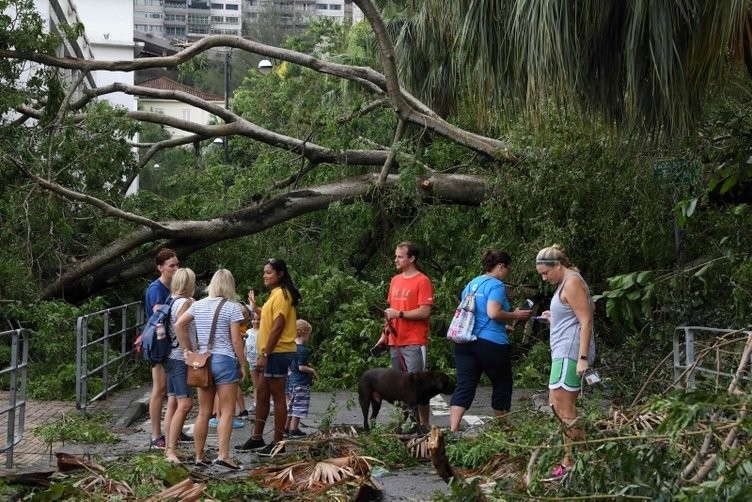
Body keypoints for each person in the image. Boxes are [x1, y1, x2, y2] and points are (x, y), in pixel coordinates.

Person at [449, 250, 531, 434]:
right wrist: (515, 315)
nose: (506, 274)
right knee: (502, 382)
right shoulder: (496, 285)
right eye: (507, 269)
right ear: (501, 266)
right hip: (490, 343)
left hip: (464, 341)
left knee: (465, 383)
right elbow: (493, 313)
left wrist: (504, 326)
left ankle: (453, 429)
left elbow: (475, 314)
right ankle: (502, 426)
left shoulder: (471, 284)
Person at [175, 269, 247, 470]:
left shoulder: (198, 305)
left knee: (204, 412)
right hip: (224, 361)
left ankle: (199, 455)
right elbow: (235, 339)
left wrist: (187, 351)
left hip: (203, 362)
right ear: (230, 285)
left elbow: (179, 325)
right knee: (226, 411)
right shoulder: (232, 308)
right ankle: (223, 455)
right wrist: (242, 364)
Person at [535, 244, 595, 480]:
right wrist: (555, 317)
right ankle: (584, 458)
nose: (544, 277)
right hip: (562, 351)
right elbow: (576, 313)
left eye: (545, 273)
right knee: (557, 405)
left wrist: (581, 358)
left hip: (570, 354)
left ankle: (570, 462)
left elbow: (587, 320)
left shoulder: (571, 281)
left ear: (557, 265)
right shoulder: (567, 281)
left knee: (565, 410)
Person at [236, 258, 301, 456]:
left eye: (269, 272)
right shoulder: (275, 294)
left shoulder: (282, 294)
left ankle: (278, 442)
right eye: (264, 272)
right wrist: (256, 308)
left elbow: (278, 326)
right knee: (262, 394)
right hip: (272, 352)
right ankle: (257, 438)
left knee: (278, 397)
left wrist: (265, 353)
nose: (265, 275)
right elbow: (269, 316)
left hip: (277, 352)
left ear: (280, 274)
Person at [375, 241, 433, 433]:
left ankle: (423, 426)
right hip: (395, 341)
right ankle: (405, 425)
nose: (396, 260)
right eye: (396, 256)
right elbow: (389, 313)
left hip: (414, 341)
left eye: (400, 256)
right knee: (400, 387)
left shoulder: (422, 281)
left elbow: (424, 311)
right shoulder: (395, 280)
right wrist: (384, 335)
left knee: (417, 386)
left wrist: (400, 314)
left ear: (411, 258)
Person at [144, 247, 180, 449]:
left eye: (177, 265)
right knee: (160, 388)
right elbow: (160, 315)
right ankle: (156, 434)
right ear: (160, 268)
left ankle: (174, 429)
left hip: (169, 343)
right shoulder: (156, 289)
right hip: (158, 344)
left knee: (173, 389)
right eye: (171, 266)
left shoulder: (171, 287)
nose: (175, 269)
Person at [162, 268, 196, 463]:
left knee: (173, 402)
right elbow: (180, 326)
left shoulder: (171, 300)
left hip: (169, 356)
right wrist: (188, 351)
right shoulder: (184, 302)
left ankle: (169, 446)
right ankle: (170, 450)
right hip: (179, 357)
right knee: (185, 403)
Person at [284, 319, 317, 437]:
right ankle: (294, 429)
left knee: (291, 404)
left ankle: (286, 427)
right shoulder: (302, 350)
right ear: (305, 333)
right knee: (299, 406)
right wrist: (312, 370)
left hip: (290, 380)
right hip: (300, 382)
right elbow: (301, 367)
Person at [244, 308, 261, 413]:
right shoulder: (248, 332)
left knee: (265, 383)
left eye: (258, 319)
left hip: (261, 361)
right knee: (256, 384)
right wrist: (244, 358)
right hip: (251, 361)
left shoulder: (263, 331)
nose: (256, 321)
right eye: (254, 319)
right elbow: (245, 346)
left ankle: (269, 403)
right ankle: (256, 403)